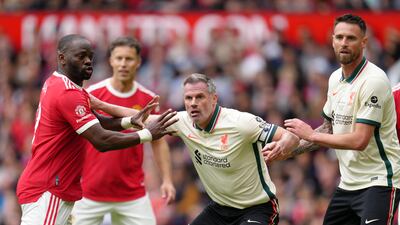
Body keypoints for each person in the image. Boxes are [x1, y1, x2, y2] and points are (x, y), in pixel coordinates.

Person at [93, 73, 300, 225]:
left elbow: (291, 136)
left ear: (214, 99)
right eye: (188, 98)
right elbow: (139, 117)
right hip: (220, 209)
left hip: (258, 208)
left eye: (199, 97)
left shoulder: (241, 123)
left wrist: (283, 144)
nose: (193, 103)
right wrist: (99, 104)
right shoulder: (181, 121)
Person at [16, 34, 178, 225]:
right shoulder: (68, 92)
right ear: (61, 58)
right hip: (50, 188)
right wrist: (147, 134)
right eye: (80, 56)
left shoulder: (64, 85)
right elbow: (101, 140)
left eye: (90, 56)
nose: (87, 61)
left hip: (64, 188)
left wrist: (128, 122)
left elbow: (96, 122)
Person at [265, 14, 400, 225]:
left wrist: (310, 134)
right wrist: (289, 150)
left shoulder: (374, 80)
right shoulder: (335, 78)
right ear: (332, 40)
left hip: (380, 181)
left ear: (364, 43)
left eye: (351, 38)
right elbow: (329, 128)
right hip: (348, 184)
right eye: (339, 37)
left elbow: (359, 141)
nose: (344, 43)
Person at [71, 37, 175, 225]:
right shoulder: (92, 95)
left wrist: (167, 179)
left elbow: (159, 142)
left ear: (138, 62)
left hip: (131, 194)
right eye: (119, 58)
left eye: (128, 59)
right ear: (111, 60)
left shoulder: (149, 100)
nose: (123, 64)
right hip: (89, 192)